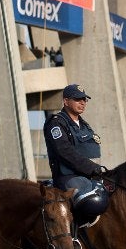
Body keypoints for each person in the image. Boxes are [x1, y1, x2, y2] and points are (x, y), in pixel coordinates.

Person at [43, 84, 108, 224]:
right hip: (68, 177)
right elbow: (65, 151)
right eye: (78, 99)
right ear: (66, 101)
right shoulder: (56, 123)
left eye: (84, 100)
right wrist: (91, 168)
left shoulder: (84, 125)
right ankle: (75, 237)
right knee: (93, 202)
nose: (83, 103)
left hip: (90, 176)